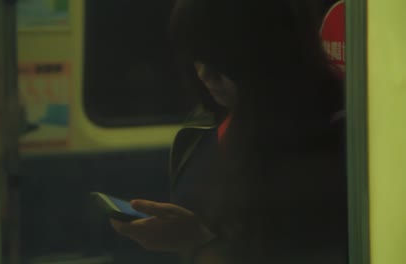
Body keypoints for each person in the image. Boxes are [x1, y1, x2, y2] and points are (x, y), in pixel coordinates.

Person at [111, 0, 347, 263]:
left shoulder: (327, 145)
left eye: (220, 59)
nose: (203, 74)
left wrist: (199, 243)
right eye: (195, 57)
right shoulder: (201, 132)